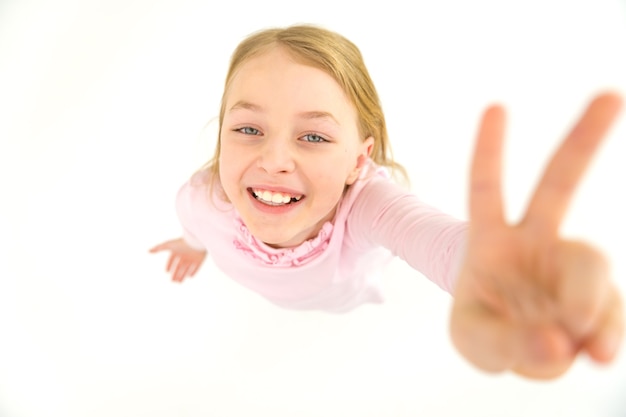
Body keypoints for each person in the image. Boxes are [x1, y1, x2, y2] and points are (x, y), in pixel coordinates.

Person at [149, 24, 624, 380]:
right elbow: (193, 224)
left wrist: (489, 270)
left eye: (314, 136)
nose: (274, 160)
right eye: (248, 129)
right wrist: (193, 246)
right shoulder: (200, 199)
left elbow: (431, 238)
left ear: (360, 161)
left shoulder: (370, 205)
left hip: (345, 297)